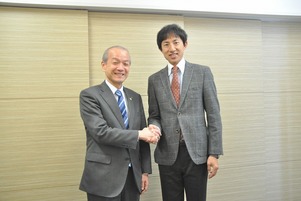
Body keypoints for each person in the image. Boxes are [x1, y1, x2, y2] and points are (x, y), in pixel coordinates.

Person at [147, 24, 223, 201]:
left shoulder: (202, 72)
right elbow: (154, 115)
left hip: (197, 153)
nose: (172, 48)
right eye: (166, 44)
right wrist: (154, 127)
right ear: (161, 49)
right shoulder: (154, 80)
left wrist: (214, 153)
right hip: (168, 154)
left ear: (185, 44)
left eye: (176, 42)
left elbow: (213, 115)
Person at [79, 45, 161, 201]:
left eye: (126, 63)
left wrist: (144, 171)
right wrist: (140, 134)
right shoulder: (90, 95)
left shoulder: (134, 97)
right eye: (115, 62)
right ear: (104, 65)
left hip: (132, 177)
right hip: (103, 178)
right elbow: (101, 132)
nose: (121, 68)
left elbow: (142, 139)